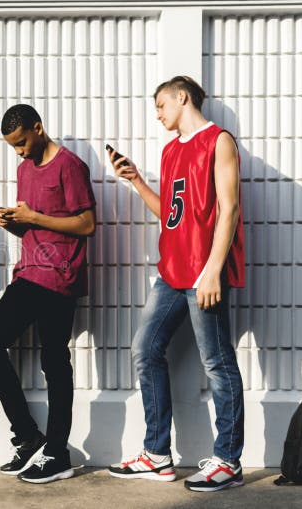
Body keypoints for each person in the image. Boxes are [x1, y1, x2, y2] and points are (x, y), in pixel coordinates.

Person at [107, 76, 246, 492]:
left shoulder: (218, 140)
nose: (158, 114)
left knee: (217, 364)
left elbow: (230, 208)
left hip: (203, 273)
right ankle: (157, 455)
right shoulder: (170, 151)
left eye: (161, 105)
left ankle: (229, 461)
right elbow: (169, 212)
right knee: (145, 351)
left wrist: (213, 270)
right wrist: (135, 180)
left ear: (182, 97)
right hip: (171, 271)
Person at [0, 104, 96, 484]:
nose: (20, 152)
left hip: (60, 276)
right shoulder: (24, 169)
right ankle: (29, 438)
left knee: (54, 361)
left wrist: (33, 219)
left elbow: (87, 223)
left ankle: (57, 452)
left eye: (22, 142)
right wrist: (13, 222)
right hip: (29, 271)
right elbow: (33, 227)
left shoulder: (70, 166)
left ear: (38, 128)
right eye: (13, 146)